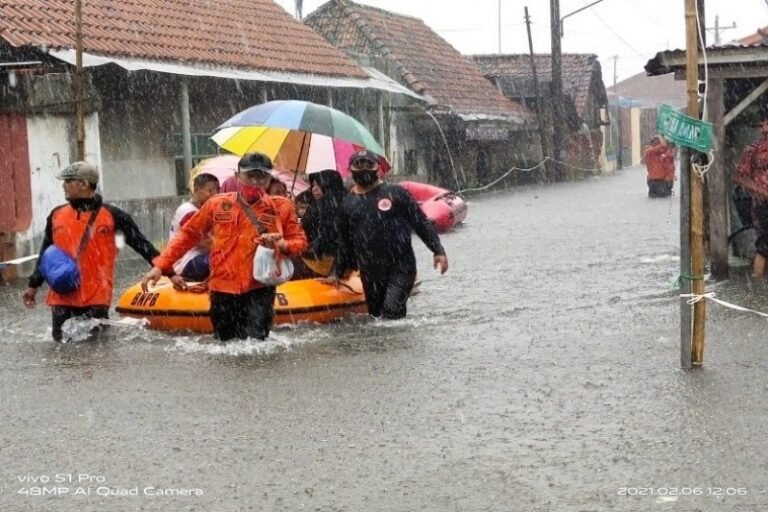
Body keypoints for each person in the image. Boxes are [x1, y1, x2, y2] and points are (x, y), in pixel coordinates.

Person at [140, 152, 307, 341]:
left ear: (269, 179)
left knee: (257, 348)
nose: (255, 182)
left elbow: (300, 243)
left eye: (262, 177)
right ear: (237, 176)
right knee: (225, 347)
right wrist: (160, 266)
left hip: (259, 288)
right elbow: (188, 235)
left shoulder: (282, 208)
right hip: (222, 289)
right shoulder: (216, 204)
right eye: (250, 176)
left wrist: (282, 244)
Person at [22, 161, 161, 342]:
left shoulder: (114, 215)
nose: (63, 185)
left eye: (68, 181)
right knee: (62, 355)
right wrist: (33, 285)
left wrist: (168, 271)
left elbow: (143, 246)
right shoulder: (56, 215)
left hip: (96, 298)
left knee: (96, 353)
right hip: (61, 297)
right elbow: (46, 253)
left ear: (84, 184)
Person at [330, 150, 448, 319]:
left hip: (401, 265)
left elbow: (420, 222)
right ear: (351, 169)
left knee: (392, 310)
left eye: (368, 164)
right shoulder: (347, 204)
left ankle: (400, 344)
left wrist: (438, 250)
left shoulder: (396, 193)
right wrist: (338, 272)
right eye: (358, 164)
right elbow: (344, 242)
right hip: (370, 269)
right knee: (376, 317)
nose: (364, 168)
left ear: (378, 168)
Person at [292, 169, 346, 279]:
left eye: (318, 185)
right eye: (313, 185)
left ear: (328, 185)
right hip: (335, 262)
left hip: (320, 262)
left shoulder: (325, 205)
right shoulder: (345, 201)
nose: (314, 189)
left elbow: (325, 236)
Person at [733, 115, 768, 279]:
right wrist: (760, 190)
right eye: (764, 122)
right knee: (764, 245)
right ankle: (757, 283)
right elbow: (738, 177)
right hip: (762, 203)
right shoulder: (752, 150)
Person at [169, 172, 220, 281]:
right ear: (196, 190)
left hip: (200, 256)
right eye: (210, 190)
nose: (214, 194)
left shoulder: (207, 211)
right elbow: (205, 243)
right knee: (223, 264)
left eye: (217, 190)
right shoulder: (188, 211)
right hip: (186, 260)